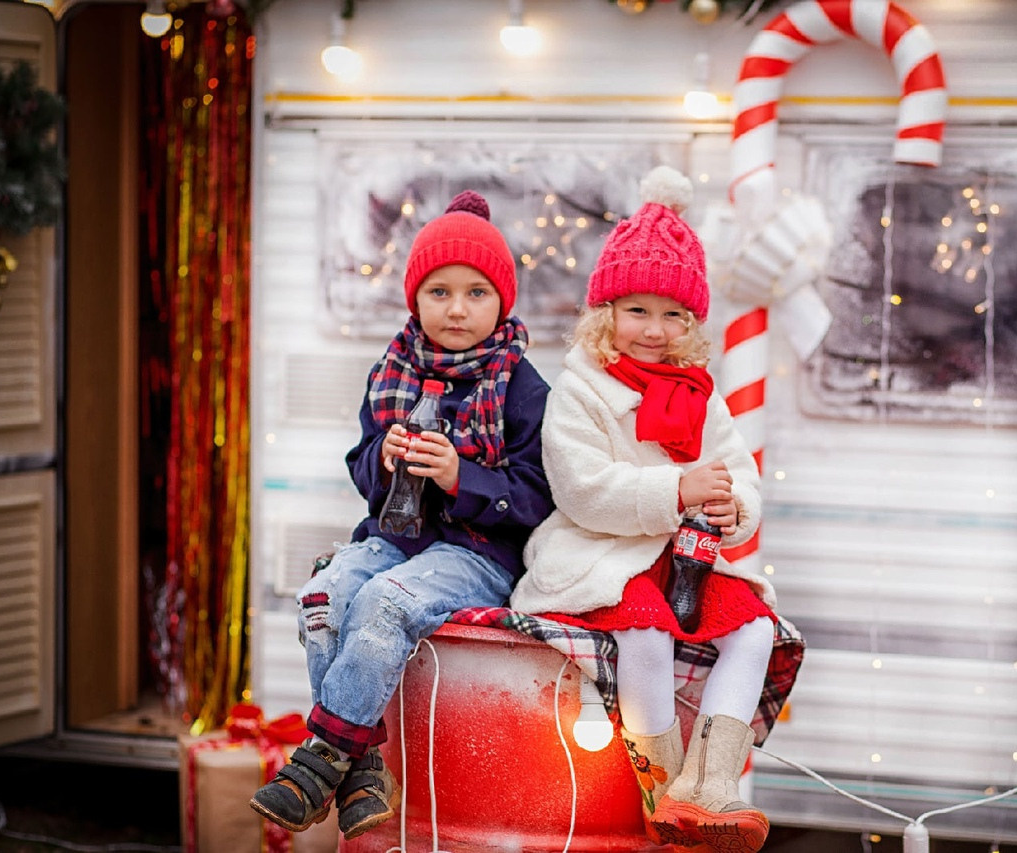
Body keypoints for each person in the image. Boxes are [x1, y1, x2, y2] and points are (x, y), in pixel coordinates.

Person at [250, 190, 553, 840]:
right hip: (394, 537)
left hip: (476, 553)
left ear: (503, 301)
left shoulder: (522, 387)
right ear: (415, 297)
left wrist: (460, 476)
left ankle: (324, 758)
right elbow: (362, 469)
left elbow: (536, 500)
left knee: (386, 601)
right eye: (439, 291)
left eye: (476, 292)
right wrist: (384, 463)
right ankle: (360, 769)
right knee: (324, 595)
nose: (457, 308)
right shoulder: (393, 371)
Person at [510, 165, 778, 853]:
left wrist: (730, 509)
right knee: (648, 636)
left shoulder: (698, 391)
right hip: (600, 550)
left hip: (680, 554)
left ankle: (707, 783)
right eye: (638, 310)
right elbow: (581, 488)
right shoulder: (582, 390)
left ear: (691, 322)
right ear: (606, 313)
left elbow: (739, 473)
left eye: (673, 314)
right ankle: (659, 787)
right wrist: (675, 490)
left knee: (753, 629)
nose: (654, 329)